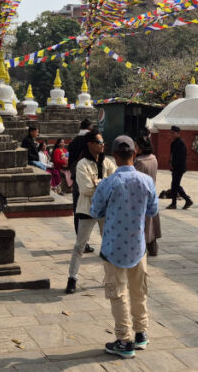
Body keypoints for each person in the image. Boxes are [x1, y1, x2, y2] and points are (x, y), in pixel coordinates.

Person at [90, 135, 158, 359]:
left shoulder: (108, 183)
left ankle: (124, 339)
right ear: (134, 154)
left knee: (118, 293)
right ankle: (141, 333)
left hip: (113, 247)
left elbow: (95, 212)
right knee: (139, 290)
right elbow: (152, 210)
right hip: (138, 246)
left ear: (114, 156)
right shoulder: (147, 181)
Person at [66, 131, 115, 294]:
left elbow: (116, 184)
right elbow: (86, 189)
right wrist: (105, 184)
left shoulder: (107, 162)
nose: (102, 144)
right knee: (80, 245)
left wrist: (98, 183)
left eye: (103, 141)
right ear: (90, 144)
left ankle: (110, 278)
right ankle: (72, 278)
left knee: (107, 243)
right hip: (87, 208)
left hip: (105, 209)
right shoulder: (82, 164)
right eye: (98, 141)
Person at [133, 136, 162, 257]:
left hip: (141, 197)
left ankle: (141, 250)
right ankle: (153, 248)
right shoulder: (154, 158)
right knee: (152, 226)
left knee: (144, 226)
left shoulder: (139, 162)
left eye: (136, 146)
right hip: (152, 194)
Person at [67, 118, 94, 238]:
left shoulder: (73, 142)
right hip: (88, 178)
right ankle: (84, 240)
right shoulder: (90, 142)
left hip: (76, 177)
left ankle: (80, 238)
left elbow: (69, 163)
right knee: (87, 210)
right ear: (89, 127)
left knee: (77, 209)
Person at [166, 125, 193, 209]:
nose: (171, 135)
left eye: (173, 133)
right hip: (174, 167)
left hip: (179, 167)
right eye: (171, 133)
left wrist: (175, 165)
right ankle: (183, 201)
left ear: (178, 134)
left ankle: (181, 201)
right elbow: (172, 155)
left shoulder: (181, 144)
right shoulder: (173, 143)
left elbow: (181, 157)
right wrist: (170, 163)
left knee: (175, 185)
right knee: (175, 185)